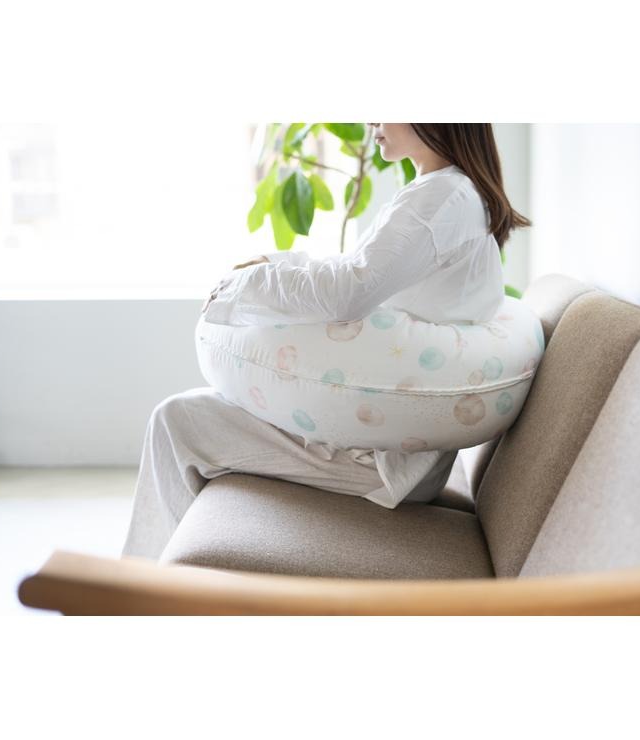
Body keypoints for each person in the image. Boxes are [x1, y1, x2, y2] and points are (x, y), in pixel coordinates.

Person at [121, 123, 532, 560]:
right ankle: (173, 578)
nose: (371, 121)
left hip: (382, 462)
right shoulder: (450, 192)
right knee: (188, 417)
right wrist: (273, 263)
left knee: (177, 422)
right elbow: (358, 268)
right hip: (396, 450)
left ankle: (140, 589)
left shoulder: (442, 198)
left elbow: (348, 292)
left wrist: (244, 288)